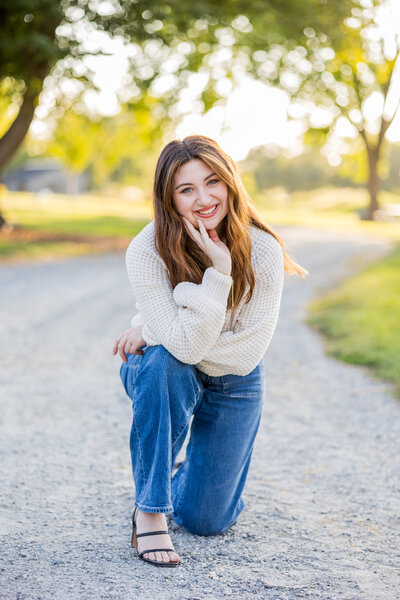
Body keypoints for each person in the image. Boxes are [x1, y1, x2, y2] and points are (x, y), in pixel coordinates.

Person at [112, 135, 307, 568]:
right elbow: (181, 349)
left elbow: (242, 355)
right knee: (165, 364)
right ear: (169, 199)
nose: (204, 198)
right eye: (186, 189)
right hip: (165, 370)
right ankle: (150, 510)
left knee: (206, 520)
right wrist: (171, 333)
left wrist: (156, 326)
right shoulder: (147, 249)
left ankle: (177, 476)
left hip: (234, 381)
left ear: (231, 183)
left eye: (213, 181)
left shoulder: (263, 251)